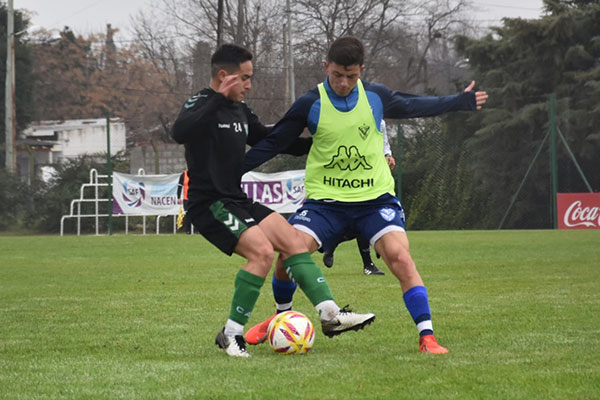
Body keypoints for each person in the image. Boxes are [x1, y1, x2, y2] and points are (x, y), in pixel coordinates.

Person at [243, 36, 488, 353]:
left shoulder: (375, 96)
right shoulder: (310, 103)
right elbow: (274, 142)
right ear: (326, 67)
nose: (344, 83)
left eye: (351, 76)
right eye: (337, 75)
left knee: (400, 258)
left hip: (375, 202)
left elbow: (415, 105)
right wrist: (229, 171)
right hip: (325, 204)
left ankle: (427, 337)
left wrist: (459, 101)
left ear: (362, 70)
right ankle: (280, 320)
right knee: (288, 255)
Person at [171, 43, 375, 358]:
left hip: (236, 198)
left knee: (292, 240)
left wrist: (317, 141)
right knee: (263, 254)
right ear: (224, 76)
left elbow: (270, 138)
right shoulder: (202, 101)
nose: (250, 85)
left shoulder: (239, 108)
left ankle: (331, 315)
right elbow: (179, 131)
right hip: (208, 204)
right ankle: (232, 334)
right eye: (246, 78)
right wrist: (216, 98)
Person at [322, 120, 394, 276]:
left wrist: (388, 155)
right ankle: (367, 264)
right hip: (352, 177)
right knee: (360, 220)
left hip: (375, 176)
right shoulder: (348, 116)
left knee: (373, 217)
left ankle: (335, 244)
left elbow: (384, 142)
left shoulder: (379, 120)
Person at [177, 170, 193, 234]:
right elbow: (179, 186)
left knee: (197, 214)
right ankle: (188, 230)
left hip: (195, 198)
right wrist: (178, 197)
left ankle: (197, 230)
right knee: (188, 214)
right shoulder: (183, 175)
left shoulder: (196, 173)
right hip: (186, 198)